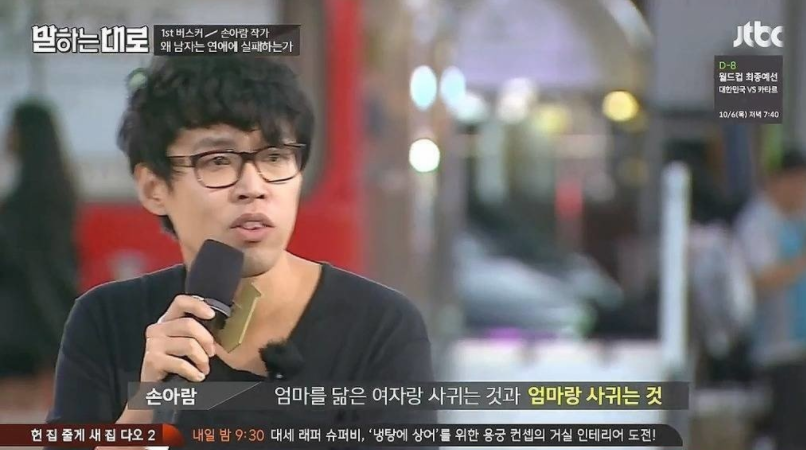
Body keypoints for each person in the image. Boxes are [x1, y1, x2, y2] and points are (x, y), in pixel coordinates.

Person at [45, 56, 435, 444]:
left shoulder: (380, 326)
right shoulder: (106, 321)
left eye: (275, 157)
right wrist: (144, 410)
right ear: (154, 188)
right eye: (218, 161)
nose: (253, 187)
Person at [0, 100, 78, 379]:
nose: (7, 135)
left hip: (21, 329)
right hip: (39, 321)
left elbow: (24, 264)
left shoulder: (28, 202)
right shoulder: (53, 192)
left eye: (12, 128)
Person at [735, 149, 806, 450]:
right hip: (779, 349)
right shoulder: (756, 223)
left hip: (801, 345)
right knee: (790, 431)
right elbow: (761, 278)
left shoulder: (799, 217)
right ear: (782, 181)